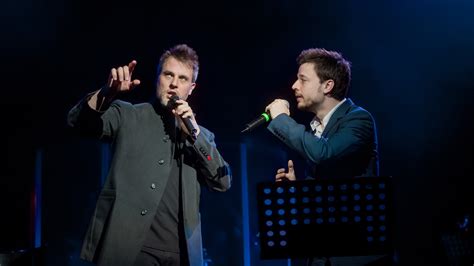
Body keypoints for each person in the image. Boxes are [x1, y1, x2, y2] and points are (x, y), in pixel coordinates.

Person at [67, 44, 232, 266]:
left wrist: (195, 135)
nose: (174, 83)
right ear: (158, 78)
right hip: (130, 248)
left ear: (191, 88)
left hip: (180, 254)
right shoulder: (128, 114)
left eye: (183, 79)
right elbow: (77, 122)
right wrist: (107, 93)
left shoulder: (202, 136)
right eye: (168, 75)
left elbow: (223, 182)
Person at [265, 48, 385, 266]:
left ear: (327, 85)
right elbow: (324, 198)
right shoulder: (313, 131)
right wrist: (297, 189)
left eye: (302, 79)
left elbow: (324, 154)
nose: (294, 86)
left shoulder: (358, 120)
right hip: (321, 254)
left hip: (354, 255)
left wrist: (281, 118)